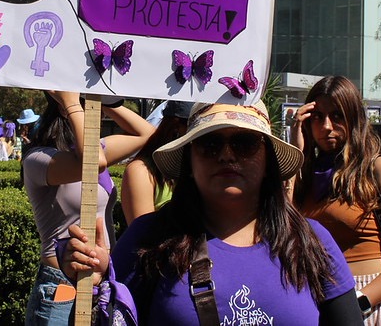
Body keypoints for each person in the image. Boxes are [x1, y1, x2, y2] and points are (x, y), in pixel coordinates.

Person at [64, 101, 361, 324]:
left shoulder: (312, 241)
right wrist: (97, 287)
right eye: (209, 143)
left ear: (268, 160)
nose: (226, 155)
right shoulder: (148, 239)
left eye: (244, 143)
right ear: (189, 162)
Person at [290, 75, 381, 325]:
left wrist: (359, 301)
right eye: (317, 117)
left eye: (337, 116)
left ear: (354, 118)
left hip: (370, 300)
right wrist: (296, 152)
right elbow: (281, 227)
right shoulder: (304, 176)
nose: (326, 126)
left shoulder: (380, 169)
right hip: (316, 302)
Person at [22, 92, 154, 325]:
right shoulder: (37, 160)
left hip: (102, 280)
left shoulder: (96, 149)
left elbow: (148, 134)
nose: (97, 116)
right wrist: (72, 103)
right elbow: (94, 163)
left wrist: (105, 99)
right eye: (89, 109)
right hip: (61, 287)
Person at [121, 100, 191, 224]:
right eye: (193, 126)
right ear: (176, 128)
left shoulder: (203, 166)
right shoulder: (142, 171)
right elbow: (143, 231)